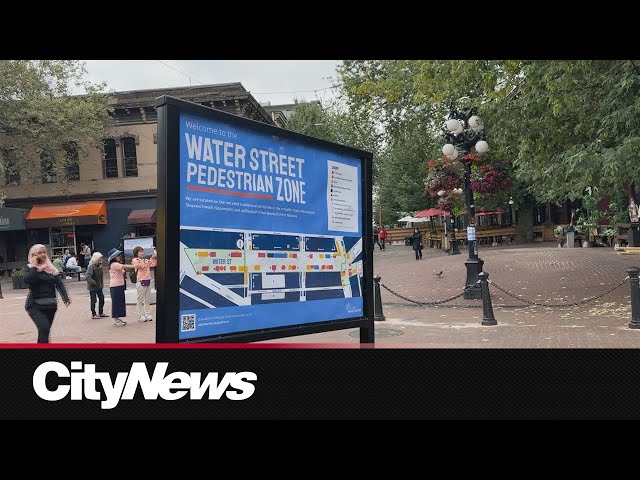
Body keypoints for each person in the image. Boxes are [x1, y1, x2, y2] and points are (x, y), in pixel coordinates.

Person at [23, 243, 71, 343]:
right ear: (33, 255)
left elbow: (59, 284)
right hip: (35, 305)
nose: (42, 254)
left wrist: (65, 297)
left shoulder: (51, 268)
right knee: (44, 329)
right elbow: (28, 280)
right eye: (39, 253)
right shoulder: (30, 268)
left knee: (45, 332)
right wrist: (35, 266)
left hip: (50, 304)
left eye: (44, 252)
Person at [107, 248, 135, 327]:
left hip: (119, 285)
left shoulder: (115, 264)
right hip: (116, 286)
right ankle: (116, 320)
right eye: (118, 255)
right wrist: (134, 266)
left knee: (119, 302)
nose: (119, 256)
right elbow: (124, 266)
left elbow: (122, 270)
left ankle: (118, 318)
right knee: (116, 303)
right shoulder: (114, 264)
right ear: (114, 257)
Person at [131, 245, 158, 322]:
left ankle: (147, 314)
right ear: (136, 253)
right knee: (140, 300)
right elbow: (141, 266)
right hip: (140, 282)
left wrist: (154, 258)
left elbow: (153, 264)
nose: (142, 253)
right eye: (140, 251)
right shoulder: (135, 260)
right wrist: (150, 260)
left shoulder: (145, 260)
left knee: (147, 299)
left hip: (148, 281)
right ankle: (140, 315)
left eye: (142, 251)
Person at [86, 252, 107, 319]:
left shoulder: (99, 265)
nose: (101, 259)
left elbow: (101, 276)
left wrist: (101, 284)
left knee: (102, 299)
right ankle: (94, 314)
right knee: (93, 300)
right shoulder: (91, 266)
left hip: (99, 286)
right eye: (100, 258)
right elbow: (88, 276)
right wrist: (93, 282)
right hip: (93, 287)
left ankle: (101, 312)